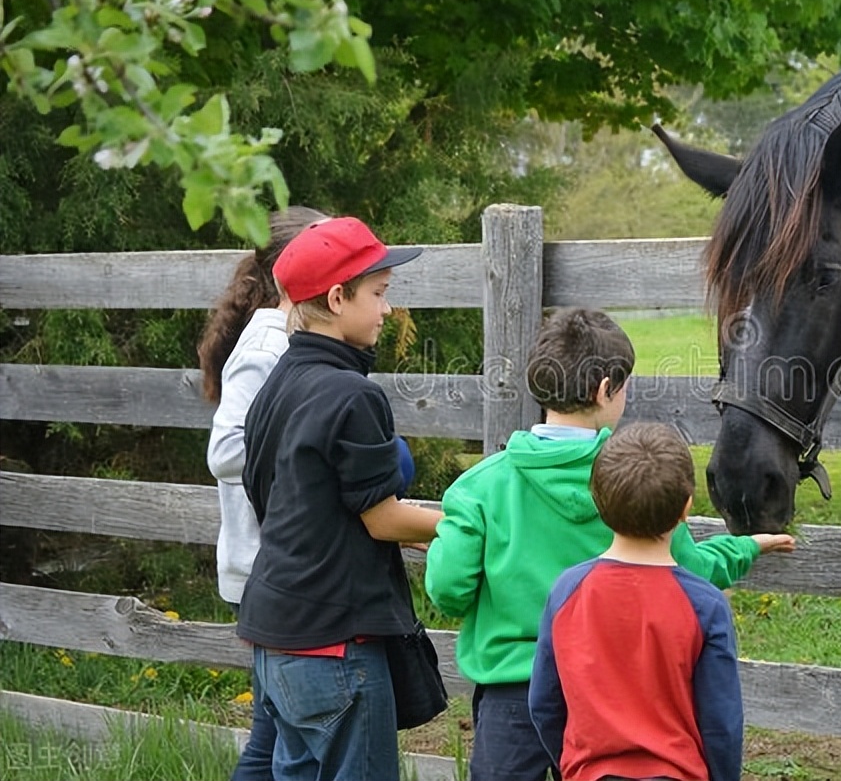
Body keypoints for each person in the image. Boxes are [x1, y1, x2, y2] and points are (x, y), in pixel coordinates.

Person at [426, 307, 795, 781]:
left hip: (509, 695)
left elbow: (449, 588)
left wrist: (439, 541)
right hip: (607, 697)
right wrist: (745, 547)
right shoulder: (637, 477)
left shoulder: (480, 487)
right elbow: (690, 572)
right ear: (605, 390)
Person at [237, 216, 443, 781]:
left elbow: (267, 496)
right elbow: (382, 520)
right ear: (336, 297)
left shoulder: (276, 386)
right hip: (336, 647)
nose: (385, 310)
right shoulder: (352, 394)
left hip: (275, 639)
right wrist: (474, 519)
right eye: (378, 294)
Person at [528, 421, 748, 781]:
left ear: (597, 502)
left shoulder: (567, 590)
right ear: (685, 508)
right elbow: (721, 722)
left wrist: (573, 766)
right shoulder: (705, 605)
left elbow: (543, 704)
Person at [199, 205, 327, 781]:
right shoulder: (266, 349)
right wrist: (311, 450)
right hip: (263, 568)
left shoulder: (293, 341)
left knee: (278, 733)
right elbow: (224, 450)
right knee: (277, 738)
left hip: (278, 564)